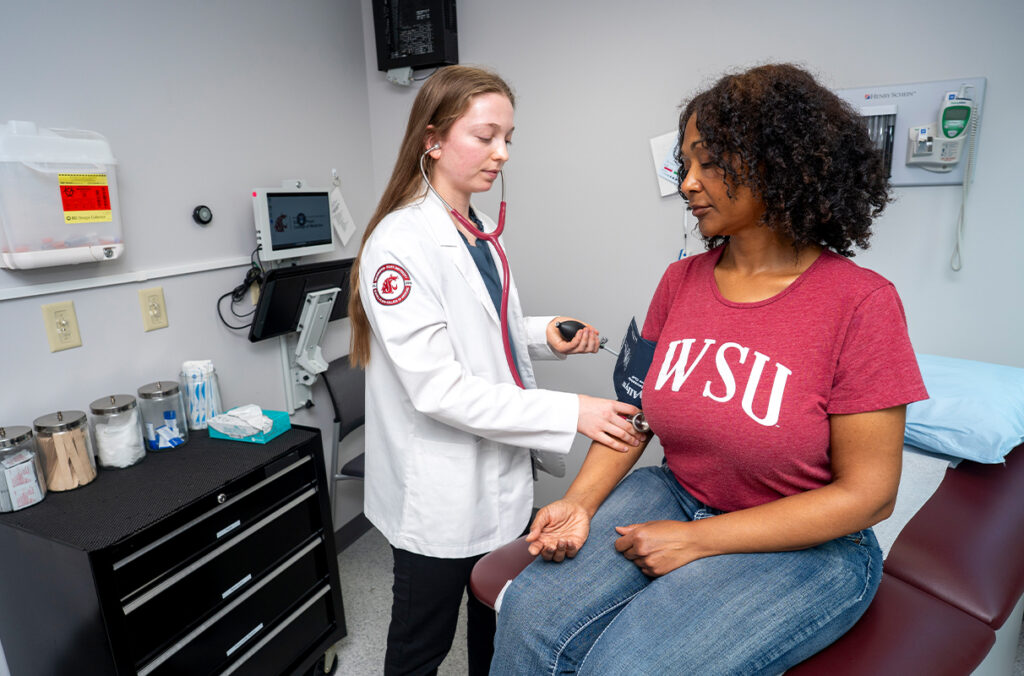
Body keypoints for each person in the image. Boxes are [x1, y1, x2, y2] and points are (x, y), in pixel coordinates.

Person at [490, 63, 929, 675]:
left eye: (708, 161)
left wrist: (696, 542)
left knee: (630, 666)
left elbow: (869, 495)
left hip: (807, 546)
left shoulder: (861, 302)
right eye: (684, 163)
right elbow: (638, 411)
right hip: (675, 491)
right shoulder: (681, 282)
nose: (688, 183)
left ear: (775, 162)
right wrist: (582, 504)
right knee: (527, 615)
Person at [346, 65, 642, 676]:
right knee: (419, 646)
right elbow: (437, 387)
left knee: (495, 619)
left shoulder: (478, 230)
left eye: (509, 138)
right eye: (485, 137)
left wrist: (543, 334)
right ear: (432, 138)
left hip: (500, 479)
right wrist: (575, 411)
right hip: (439, 493)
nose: (502, 153)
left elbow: (480, 332)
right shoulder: (398, 245)